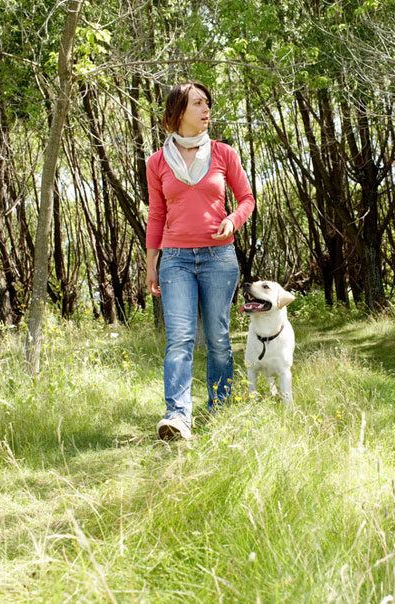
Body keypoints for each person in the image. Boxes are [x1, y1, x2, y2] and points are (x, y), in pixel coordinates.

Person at [145, 81, 256, 440]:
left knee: (219, 339)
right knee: (180, 338)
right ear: (178, 112)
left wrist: (232, 220)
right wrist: (151, 264)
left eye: (207, 103)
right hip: (175, 259)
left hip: (218, 259)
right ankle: (178, 416)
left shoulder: (224, 154)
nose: (206, 109)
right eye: (198, 104)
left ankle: (220, 408)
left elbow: (246, 199)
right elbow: (157, 215)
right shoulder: (157, 162)